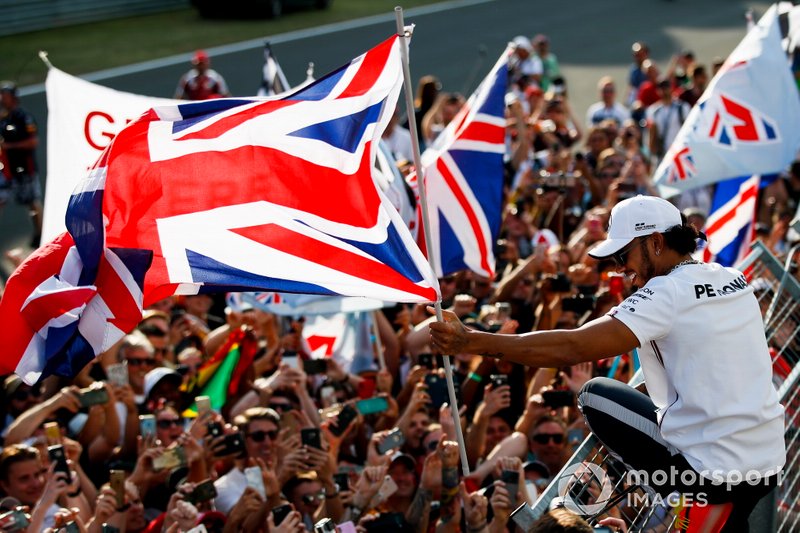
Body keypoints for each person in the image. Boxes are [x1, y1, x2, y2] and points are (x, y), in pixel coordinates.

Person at [429, 195, 785, 531]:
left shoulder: (666, 293)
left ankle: (678, 496)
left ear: (657, 242)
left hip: (711, 476)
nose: (619, 269)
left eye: (624, 255)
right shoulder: (730, 276)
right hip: (766, 464)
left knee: (595, 394)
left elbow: (573, 345)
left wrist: (472, 340)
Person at [0, 82, 43, 247]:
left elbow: (33, 141)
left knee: (31, 201)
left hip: (24, 168)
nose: (2, 98)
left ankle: (40, 233)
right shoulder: (4, 118)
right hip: (6, 170)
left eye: (5, 95)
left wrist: (10, 146)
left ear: (13, 98)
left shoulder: (24, 118)